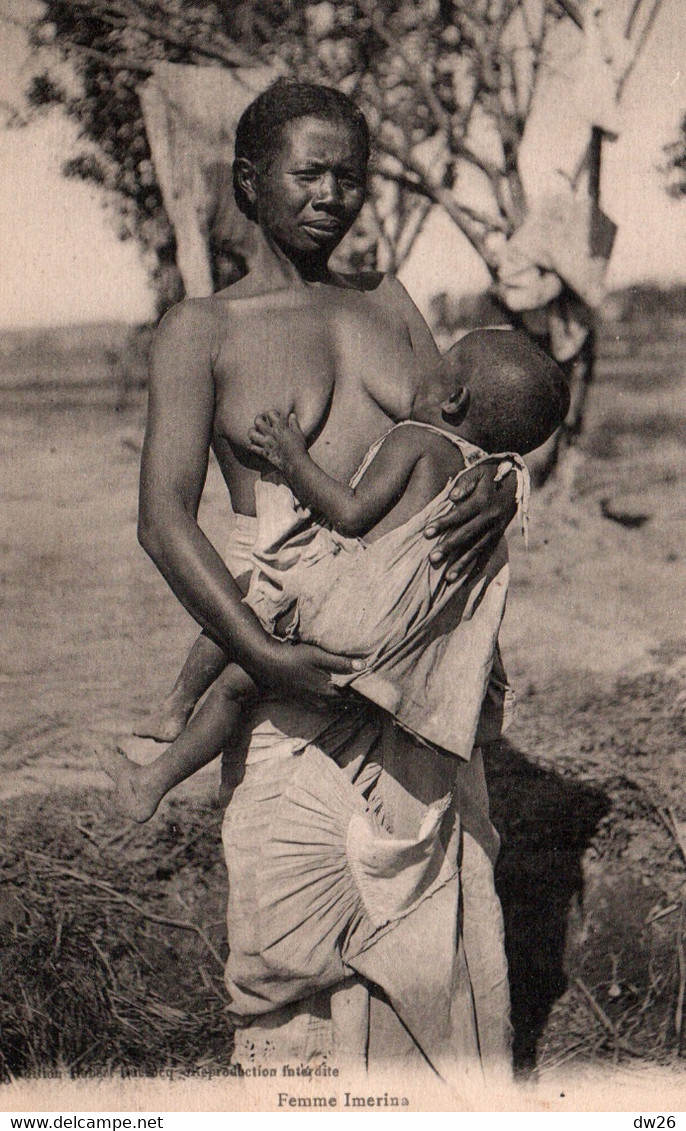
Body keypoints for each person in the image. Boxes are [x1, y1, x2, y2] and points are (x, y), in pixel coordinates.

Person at [130, 77, 526, 1080]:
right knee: (293, 953)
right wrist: (260, 651)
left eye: (350, 177)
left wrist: (505, 489)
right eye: (308, 172)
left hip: (415, 681)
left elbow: (473, 427)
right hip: (292, 682)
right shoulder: (203, 330)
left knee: (436, 960)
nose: (332, 196)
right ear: (247, 180)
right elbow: (162, 517)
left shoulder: (386, 305)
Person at [101, 329, 567, 823]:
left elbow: (349, 513)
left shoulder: (418, 441)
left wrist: (291, 457)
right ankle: (156, 771)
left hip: (350, 609)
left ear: (454, 399)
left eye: (442, 363)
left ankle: (172, 720)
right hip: (395, 646)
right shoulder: (485, 474)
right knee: (240, 685)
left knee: (245, 601)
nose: (425, 368)